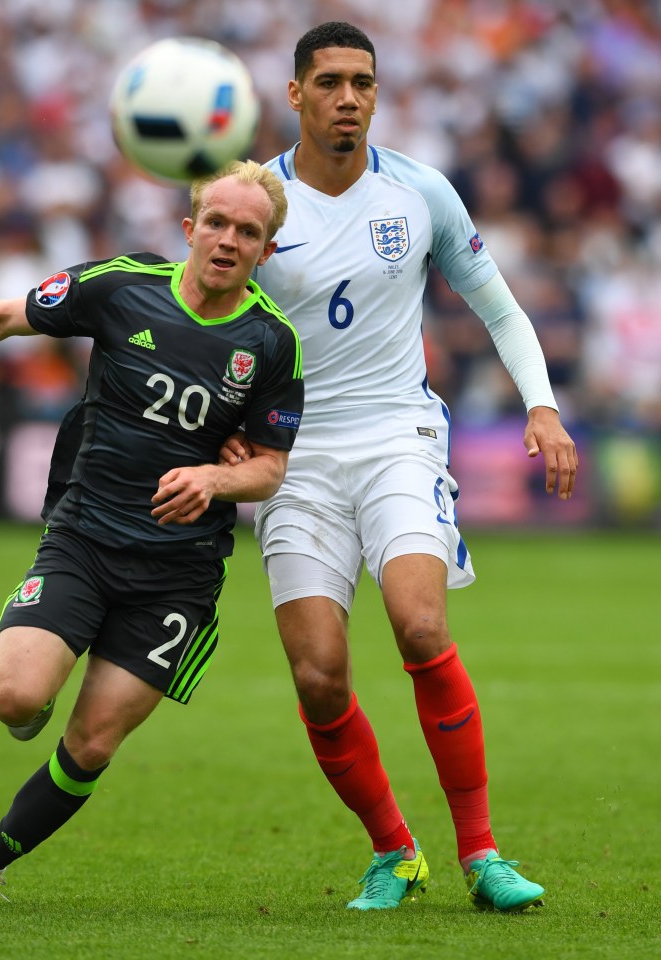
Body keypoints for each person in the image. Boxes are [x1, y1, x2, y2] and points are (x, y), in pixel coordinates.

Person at [0, 160, 304, 911]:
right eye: (215, 222)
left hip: (177, 577)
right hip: (84, 536)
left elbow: (270, 467)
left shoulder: (271, 343)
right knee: (17, 701)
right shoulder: (122, 287)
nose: (227, 239)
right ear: (188, 229)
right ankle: (38, 668)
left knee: (91, 745)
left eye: (247, 231)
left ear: (266, 251)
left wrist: (215, 479)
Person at [231, 21, 578, 913]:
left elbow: (499, 308)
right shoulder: (254, 200)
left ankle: (480, 854)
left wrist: (540, 405)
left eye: (363, 82)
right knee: (317, 673)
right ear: (295, 95)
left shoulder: (420, 193)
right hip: (294, 454)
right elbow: (208, 319)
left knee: (419, 627)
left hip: (397, 436)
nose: (349, 98)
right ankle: (395, 851)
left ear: (376, 94)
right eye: (331, 82)